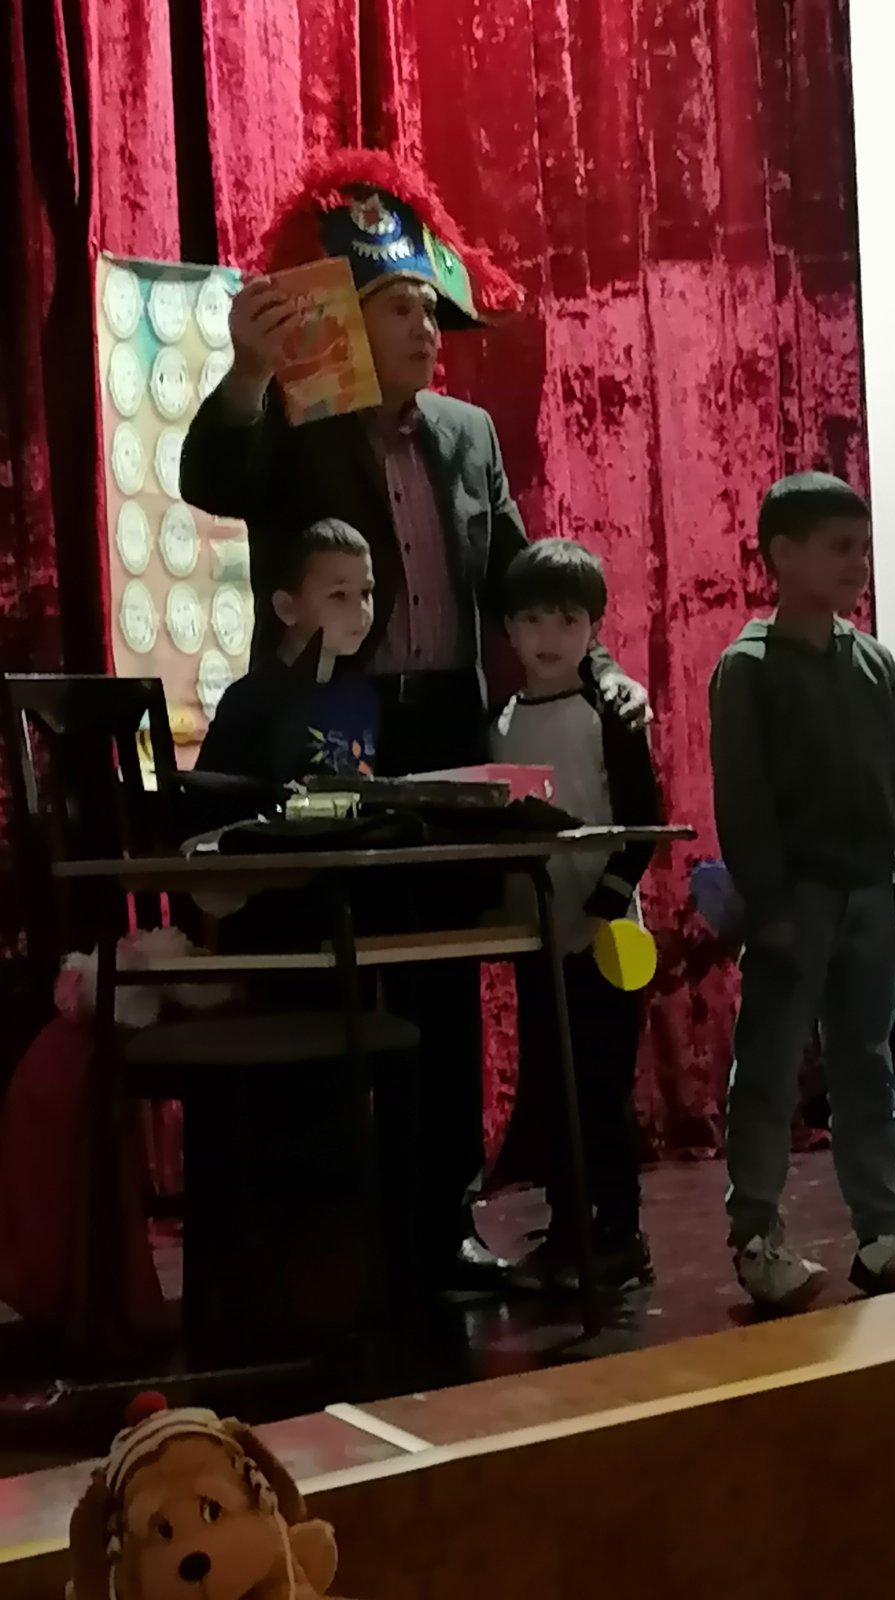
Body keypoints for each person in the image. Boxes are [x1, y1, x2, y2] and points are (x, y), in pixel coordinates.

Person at [179, 149, 649, 1292]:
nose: (427, 329)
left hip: (445, 732)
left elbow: (526, 579)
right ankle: (334, 1240)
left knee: (442, 987)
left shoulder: (468, 433)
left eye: (433, 311)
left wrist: (599, 671)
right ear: (347, 319)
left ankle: (441, 1226)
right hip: (331, 737)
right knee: (332, 975)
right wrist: (247, 373)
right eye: (401, 308)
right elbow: (209, 477)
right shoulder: (295, 418)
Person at [709, 471, 895, 1312]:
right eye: (840, 548)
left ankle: (883, 1233)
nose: (858, 564)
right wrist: (769, 906)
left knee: (867, 1069)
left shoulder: (876, 664)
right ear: (783, 554)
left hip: (872, 899)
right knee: (770, 1069)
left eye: (864, 549)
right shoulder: (748, 669)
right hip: (795, 903)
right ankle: (758, 1236)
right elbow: (743, 801)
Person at [491, 540, 660, 1292]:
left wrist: (599, 910)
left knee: (600, 1090)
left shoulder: (611, 714)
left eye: (567, 620)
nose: (548, 636)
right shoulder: (501, 722)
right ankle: (567, 1232)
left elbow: (644, 823)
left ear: (593, 627)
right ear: (508, 629)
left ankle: (621, 1236)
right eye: (531, 620)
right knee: (553, 1089)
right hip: (539, 939)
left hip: (609, 938)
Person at [197, 517, 377, 785]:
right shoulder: (251, 703)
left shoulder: (362, 697)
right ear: (286, 607)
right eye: (339, 595)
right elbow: (211, 797)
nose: (361, 610)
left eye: (366, 592)